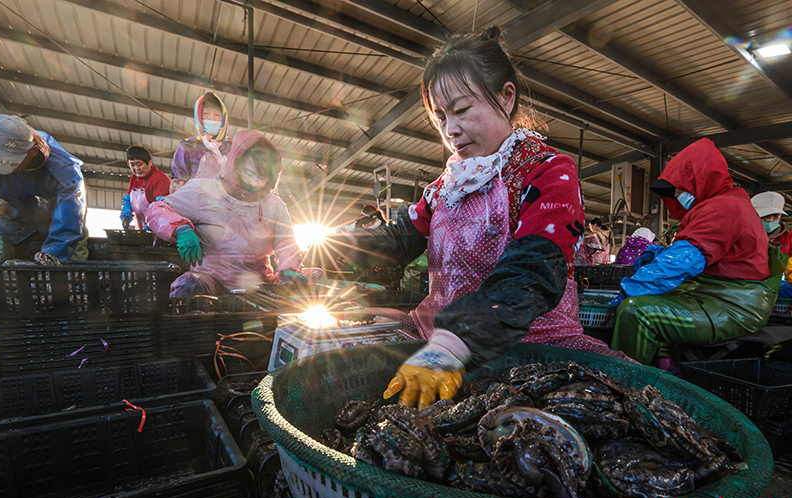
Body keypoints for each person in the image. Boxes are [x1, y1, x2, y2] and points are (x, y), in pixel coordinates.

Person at [324, 27, 627, 410]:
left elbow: (532, 270)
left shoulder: (546, 172)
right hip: (432, 337)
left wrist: (456, 341)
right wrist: (325, 249)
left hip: (530, 347)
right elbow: (398, 240)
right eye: (440, 117)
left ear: (507, 96)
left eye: (462, 110)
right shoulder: (444, 187)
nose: (450, 130)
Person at [610, 138, 783, 368]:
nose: (679, 194)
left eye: (682, 188)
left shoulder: (724, 208)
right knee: (655, 298)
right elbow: (700, 252)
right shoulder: (720, 205)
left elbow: (682, 261)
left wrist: (629, 289)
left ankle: (625, 384)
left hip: (733, 307)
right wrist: (658, 253)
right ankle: (665, 367)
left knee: (636, 312)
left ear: (701, 180)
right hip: (709, 295)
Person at [147, 130, 311, 297]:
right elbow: (157, 209)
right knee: (189, 285)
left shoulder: (274, 205)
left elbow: (286, 243)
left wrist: (290, 269)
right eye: (250, 173)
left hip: (259, 283)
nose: (255, 183)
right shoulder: (203, 190)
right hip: (211, 279)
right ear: (236, 164)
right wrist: (179, 229)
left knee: (315, 277)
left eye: (262, 177)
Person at [0, 114, 88, 261]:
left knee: (70, 263)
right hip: (10, 219)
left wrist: (53, 256)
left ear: (33, 151)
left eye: (11, 162)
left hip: (55, 221)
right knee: (0, 262)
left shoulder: (66, 171)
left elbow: (69, 218)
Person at [170, 92, 232, 193]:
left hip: (226, 206)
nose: (212, 118)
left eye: (217, 114)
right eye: (206, 114)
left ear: (224, 119)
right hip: (194, 203)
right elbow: (178, 181)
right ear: (198, 117)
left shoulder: (231, 147)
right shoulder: (187, 147)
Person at [751, 191, 792, 298]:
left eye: (775, 215)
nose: (770, 219)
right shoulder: (743, 236)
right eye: (765, 215)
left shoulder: (789, 239)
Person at [120, 145, 171, 230]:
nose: (136, 168)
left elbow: (163, 208)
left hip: (160, 228)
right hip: (142, 228)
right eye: (132, 165)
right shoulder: (134, 178)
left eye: (139, 164)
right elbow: (128, 200)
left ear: (150, 162)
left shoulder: (160, 179)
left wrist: (152, 224)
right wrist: (125, 215)